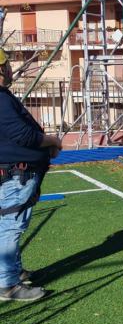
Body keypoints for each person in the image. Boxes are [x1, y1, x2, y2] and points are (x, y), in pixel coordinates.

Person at [0, 48, 62, 301]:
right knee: (11, 227)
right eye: (7, 65)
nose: (11, 69)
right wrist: (52, 141)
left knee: (7, 225)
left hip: (15, 172)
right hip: (17, 174)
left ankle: (12, 272)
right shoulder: (0, 99)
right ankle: (8, 285)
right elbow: (23, 136)